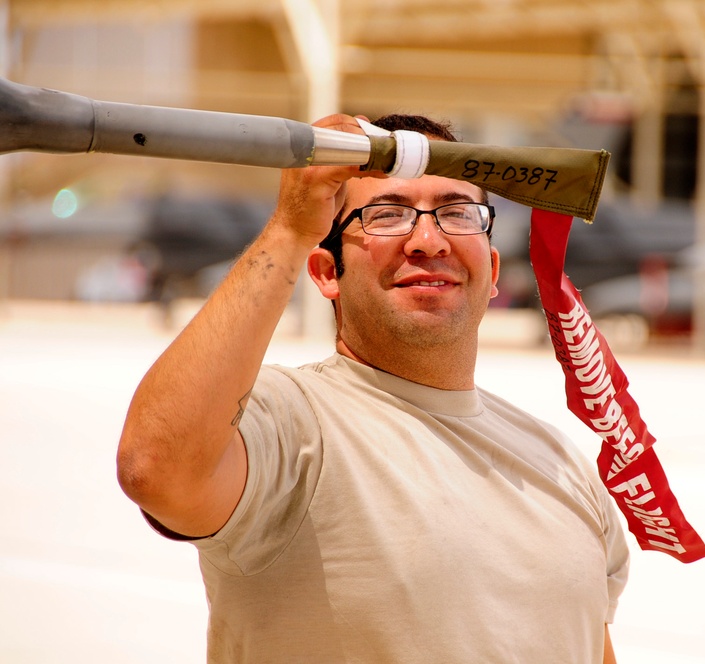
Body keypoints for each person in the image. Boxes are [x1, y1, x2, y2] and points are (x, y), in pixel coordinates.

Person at [116, 112, 630, 663]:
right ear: (325, 272)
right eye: (387, 214)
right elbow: (155, 467)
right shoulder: (290, 427)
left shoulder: (562, 467)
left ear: (493, 266)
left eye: (457, 213)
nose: (428, 241)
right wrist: (288, 228)